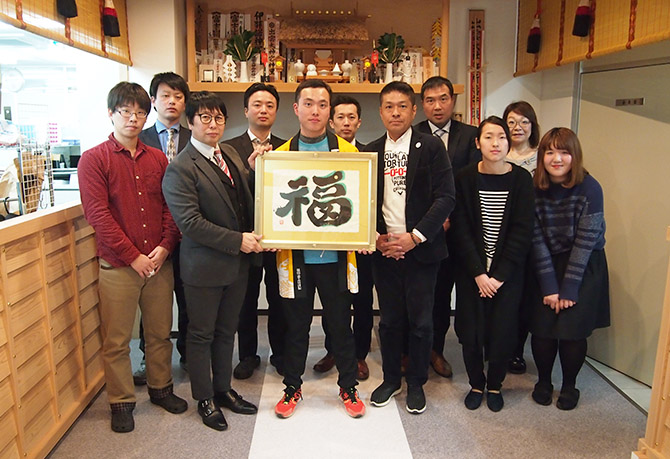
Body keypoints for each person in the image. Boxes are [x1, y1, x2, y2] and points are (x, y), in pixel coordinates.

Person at [249, 79, 366, 419]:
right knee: (296, 326)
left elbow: (360, 203)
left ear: (330, 112)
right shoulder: (279, 155)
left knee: (340, 324)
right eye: (309, 103)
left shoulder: (350, 154)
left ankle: (348, 386)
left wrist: (365, 233)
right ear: (296, 108)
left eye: (322, 104)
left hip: (337, 257)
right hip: (295, 256)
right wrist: (257, 172)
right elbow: (268, 206)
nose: (315, 111)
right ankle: (292, 387)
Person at [78, 82, 187, 433]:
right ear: (111, 113)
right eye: (126, 111)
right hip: (118, 266)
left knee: (159, 333)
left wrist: (165, 246)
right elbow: (98, 216)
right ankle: (121, 401)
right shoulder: (93, 159)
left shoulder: (157, 158)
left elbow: (171, 207)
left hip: (158, 263)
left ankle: (161, 388)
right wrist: (133, 256)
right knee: (117, 340)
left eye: (140, 112)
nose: (133, 118)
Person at [162, 92, 260, 431]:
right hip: (204, 267)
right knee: (201, 334)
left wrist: (256, 173)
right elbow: (190, 223)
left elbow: (242, 198)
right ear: (190, 122)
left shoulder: (229, 153)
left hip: (237, 265)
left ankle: (223, 389)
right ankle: (204, 398)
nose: (213, 124)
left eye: (218, 118)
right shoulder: (180, 168)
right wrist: (238, 240)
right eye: (205, 117)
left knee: (226, 331)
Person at [366, 81, 454, 414]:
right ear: (380, 112)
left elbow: (446, 197)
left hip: (421, 250)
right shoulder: (371, 151)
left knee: (421, 321)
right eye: (389, 107)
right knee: (389, 321)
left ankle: (416, 383)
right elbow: (362, 201)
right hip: (385, 251)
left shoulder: (430, 146)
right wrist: (375, 237)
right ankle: (391, 379)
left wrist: (415, 237)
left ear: (414, 110)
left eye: (402, 106)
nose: (396, 113)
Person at [449, 116, 534, 412]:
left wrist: (498, 276)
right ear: (478, 143)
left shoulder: (522, 180)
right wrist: (478, 273)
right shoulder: (464, 178)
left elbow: (522, 231)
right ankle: (476, 383)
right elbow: (460, 229)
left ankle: (495, 385)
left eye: (501, 137)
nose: (495, 143)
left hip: (507, 276)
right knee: (470, 332)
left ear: (508, 143)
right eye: (488, 137)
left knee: (502, 332)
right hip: (472, 273)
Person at [530, 127, 610, 411]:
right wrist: (550, 286)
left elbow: (586, 240)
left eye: (564, 152)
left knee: (572, 330)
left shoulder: (591, 188)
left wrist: (569, 288)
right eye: (550, 152)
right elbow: (534, 236)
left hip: (584, 262)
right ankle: (543, 382)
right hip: (545, 260)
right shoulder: (533, 187)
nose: (557, 159)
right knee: (542, 329)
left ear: (574, 156)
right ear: (541, 156)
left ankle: (569, 385)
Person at [413, 76, 480, 378]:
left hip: (458, 231)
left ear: (453, 100)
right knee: (420, 293)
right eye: (430, 100)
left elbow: (473, 184)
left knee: (443, 294)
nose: (437, 106)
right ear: (422, 105)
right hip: (422, 230)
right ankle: (412, 350)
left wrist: (451, 215)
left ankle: (436, 350)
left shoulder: (472, 136)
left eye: (443, 99)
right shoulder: (412, 135)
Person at [223, 83, 287, 380]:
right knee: (244, 301)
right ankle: (247, 355)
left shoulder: (287, 147)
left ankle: (281, 353)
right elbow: (227, 191)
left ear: (277, 111)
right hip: (244, 238)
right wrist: (250, 171)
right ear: (246, 110)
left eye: (270, 105)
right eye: (257, 105)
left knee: (280, 299)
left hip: (279, 238)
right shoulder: (228, 148)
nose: (263, 110)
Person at [133, 71, 191, 385]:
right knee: (152, 303)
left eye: (178, 96)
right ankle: (149, 357)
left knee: (189, 298)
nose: (172, 102)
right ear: (154, 101)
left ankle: (189, 353)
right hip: (153, 237)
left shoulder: (196, 137)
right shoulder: (138, 139)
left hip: (190, 235)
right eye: (166, 96)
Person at [312, 95, 373, 380]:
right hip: (330, 242)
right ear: (331, 122)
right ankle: (332, 351)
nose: (346, 122)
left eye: (352, 117)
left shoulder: (368, 155)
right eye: (340, 117)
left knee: (361, 301)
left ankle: (358, 355)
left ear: (359, 122)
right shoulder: (319, 154)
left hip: (360, 244)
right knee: (332, 303)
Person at [502, 101, 541, 375]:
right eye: (512, 122)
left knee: (524, 297)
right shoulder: (496, 155)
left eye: (524, 121)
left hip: (533, 236)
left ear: (532, 126)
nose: (518, 127)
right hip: (500, 236)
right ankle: (495, 346)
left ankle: (516, 350)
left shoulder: (543, 157)